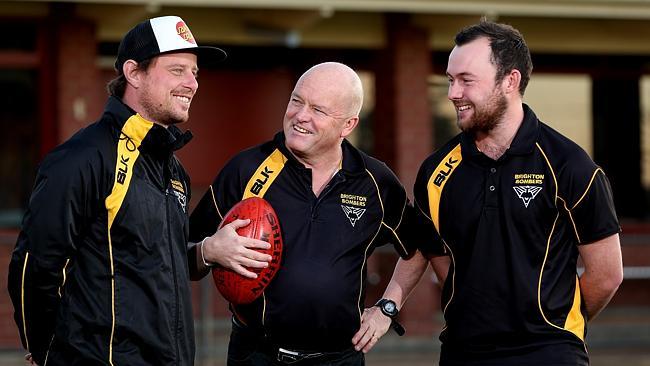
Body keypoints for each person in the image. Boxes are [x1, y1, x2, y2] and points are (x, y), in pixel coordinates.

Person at [354, 19, 624, 365]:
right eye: (451, 80)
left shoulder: (570, 165)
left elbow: (607, 275)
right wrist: (390, 304)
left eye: (466, 80)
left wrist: (553, 321)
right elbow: (430, 250)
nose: (453, 92)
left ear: (510, 81)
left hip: (549, 352)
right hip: (463, 352)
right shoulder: (436, 172)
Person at [6, 15, 260, 366]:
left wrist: (206, 251)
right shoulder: (82, 158)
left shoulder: (173, 170)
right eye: (177, 70)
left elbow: (153, 264)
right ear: (133, 73)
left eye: (195, 72)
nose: (193, 83)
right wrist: (47, 351)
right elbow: (34, 268)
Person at [189, 61, 416, 366]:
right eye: (297, 101)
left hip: (339, 359)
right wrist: (209, 250)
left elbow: (419, 246)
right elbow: (182, 255)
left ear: (348, 125)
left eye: (318, 110)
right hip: (256, 355)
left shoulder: (375, 182)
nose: (300, 116)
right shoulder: (245, 170)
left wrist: (388, 307)